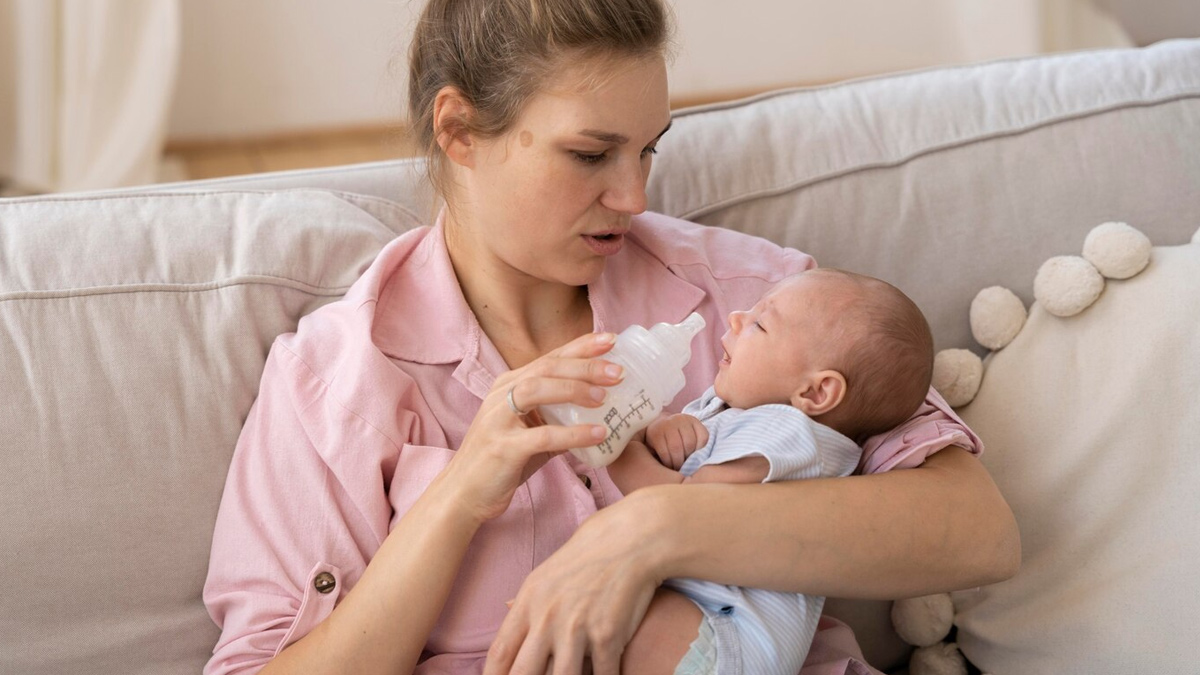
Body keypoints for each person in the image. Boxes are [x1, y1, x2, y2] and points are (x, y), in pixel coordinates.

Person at [202, 1, 1020, 674]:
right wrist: (457, 497)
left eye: (648, 151)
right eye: (591, 154)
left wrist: (647, 533)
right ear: (458, 130)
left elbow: (976, 531)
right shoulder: (335, 380)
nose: (632, 196)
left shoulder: (752, 302)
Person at [604, 268, 934, 675]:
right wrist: (658, 427)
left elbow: (684, 509)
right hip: (704, 618)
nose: (736, 317)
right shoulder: (736, 411)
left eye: (759, 323)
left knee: (634, 621)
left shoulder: (791, 433)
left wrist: (616, 448)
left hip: (727, 634)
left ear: (815, 392)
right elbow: (684, 463)